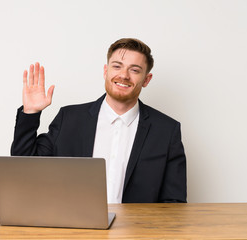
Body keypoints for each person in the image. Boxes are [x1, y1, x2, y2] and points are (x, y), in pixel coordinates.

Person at [11, 38, 187, 203]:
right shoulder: (70, 119)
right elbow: (24, 169)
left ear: (146, 79)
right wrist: (30, 112)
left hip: (137, 233)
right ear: (106, 71)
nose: (124, 75)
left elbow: (174, 204)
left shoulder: (166, 131)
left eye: (134, 70)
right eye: (117, 66)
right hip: (74, 232)